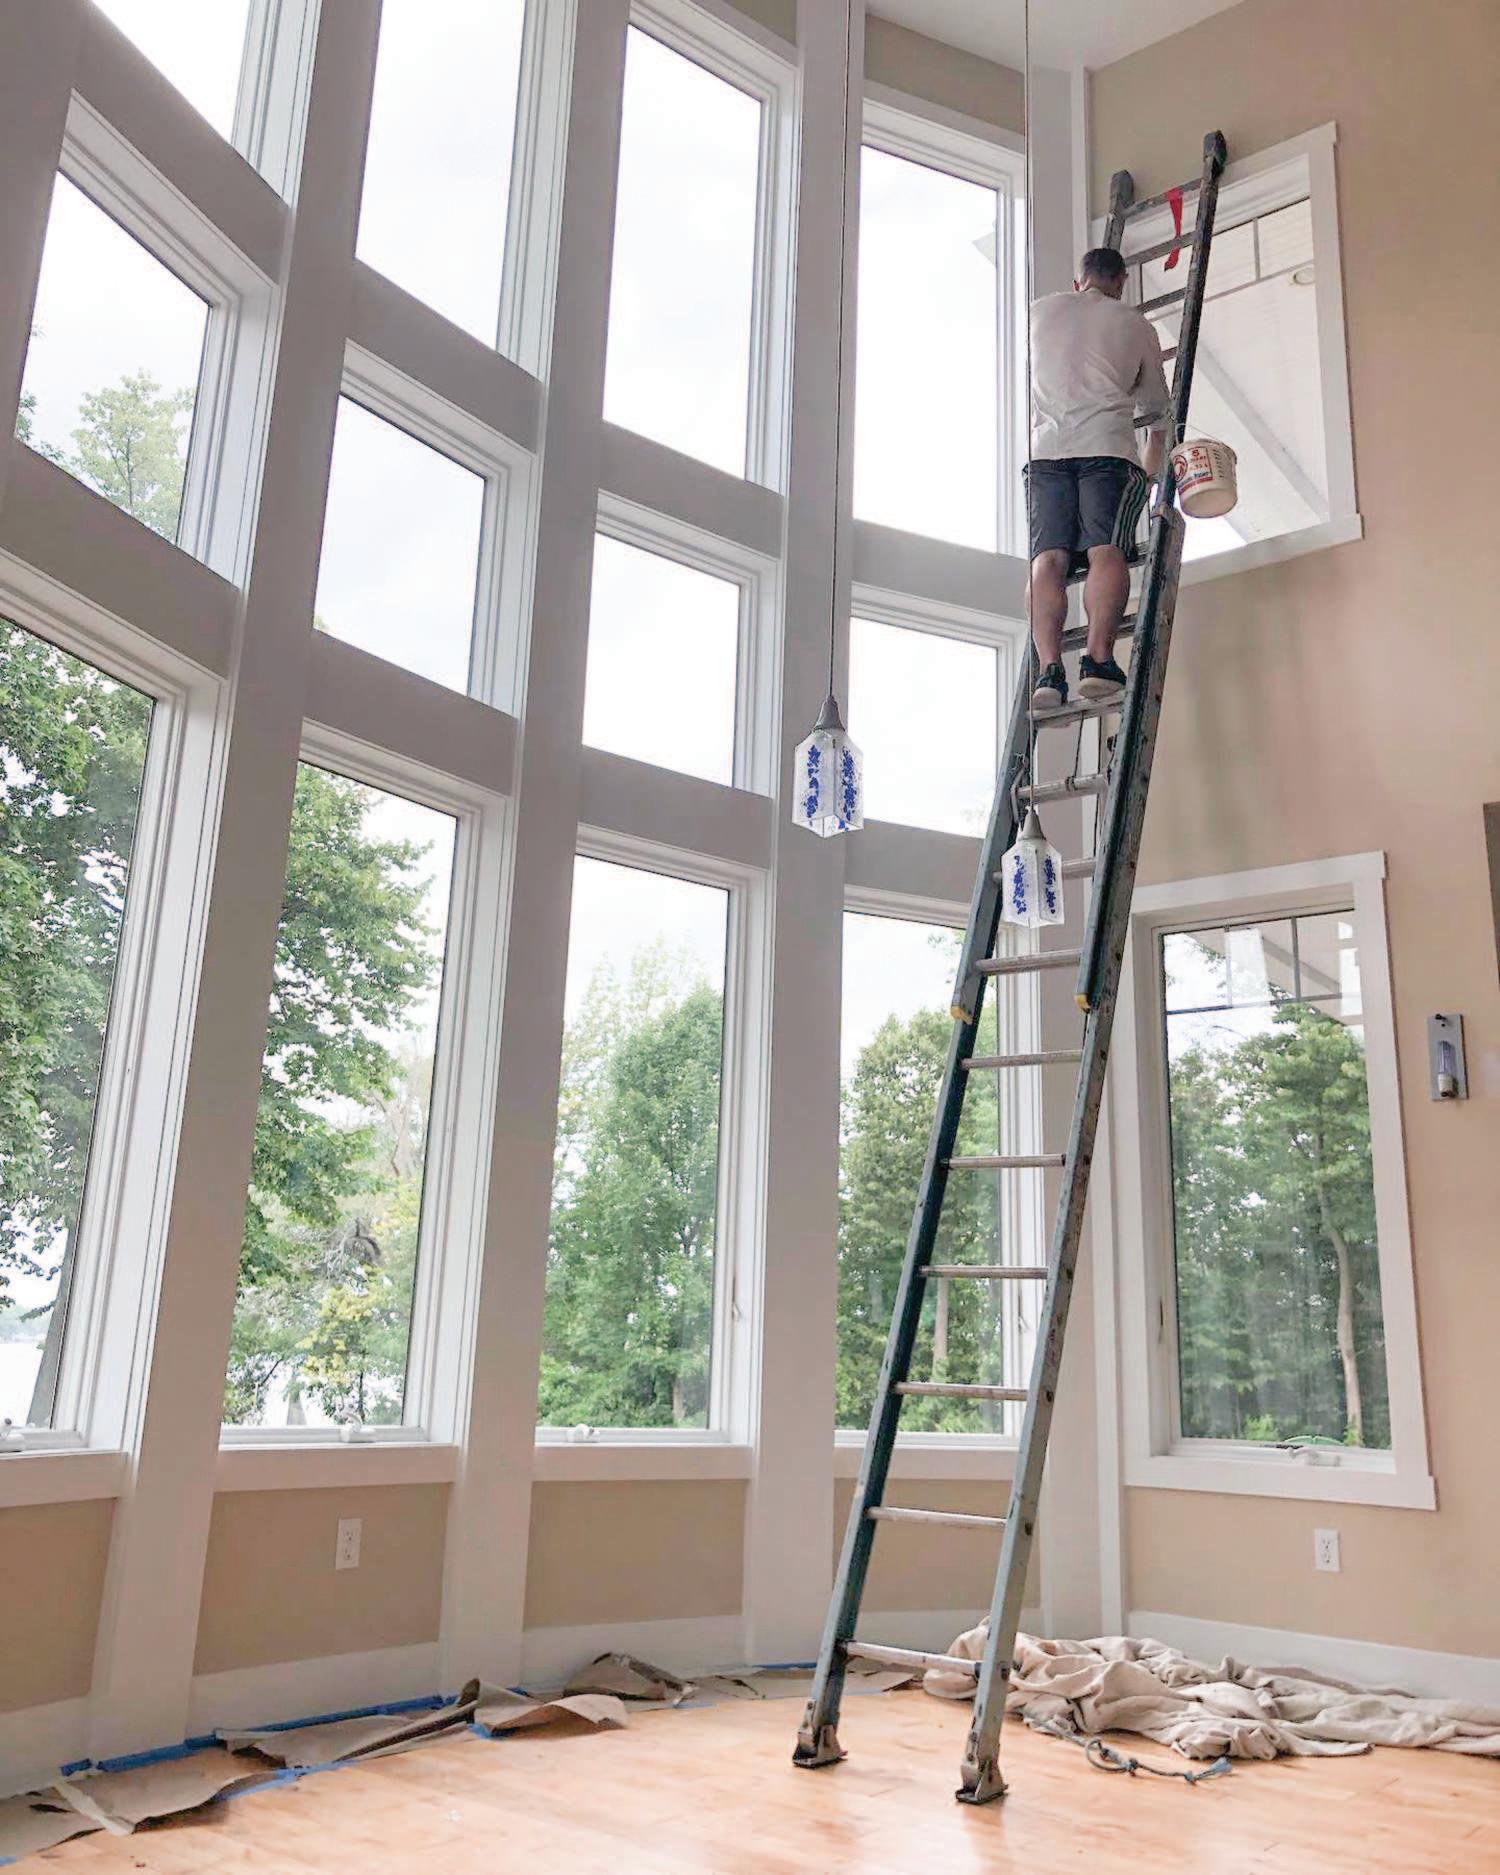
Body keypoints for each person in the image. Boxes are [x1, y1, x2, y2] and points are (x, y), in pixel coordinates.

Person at [1024, 246, 1172, 712]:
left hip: (1046, 453)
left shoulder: (1039, 313)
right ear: (1121, 282)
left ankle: (1049, 670)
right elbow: (1157, 413)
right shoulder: (1134, 323)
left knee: (1047, 560)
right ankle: (1098, 661)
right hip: (1106, 451)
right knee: (1106, 550)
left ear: (1078, 281)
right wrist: (1150, 475)